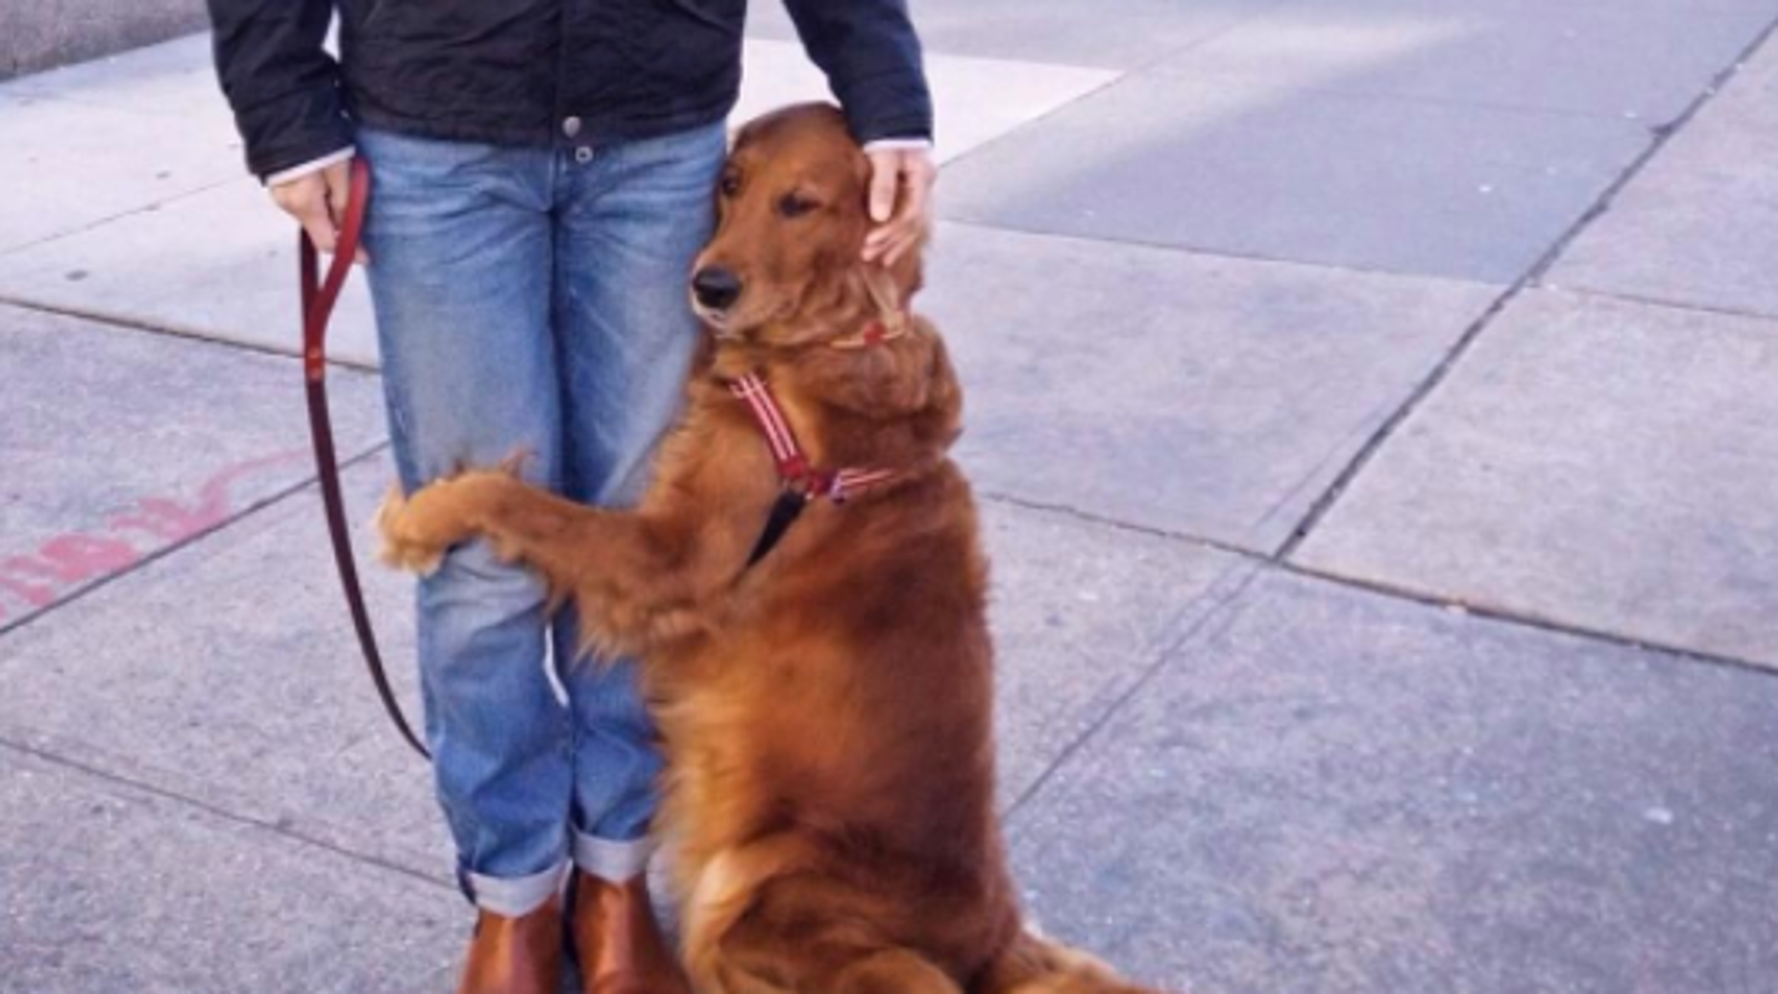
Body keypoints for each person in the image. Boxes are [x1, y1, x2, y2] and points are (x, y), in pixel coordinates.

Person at [204, 2, 935, 990]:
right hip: (437, 129)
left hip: (657, 135)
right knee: (479, 556)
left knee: (646, 545)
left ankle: (616, 877)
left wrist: (887, 100)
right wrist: (284, 111)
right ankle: (513, 895)